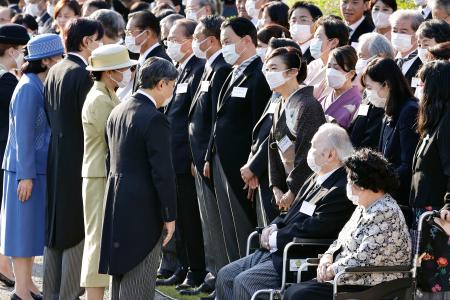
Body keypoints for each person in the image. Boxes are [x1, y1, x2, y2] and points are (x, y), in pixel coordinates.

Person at [216, 123, 356, 300]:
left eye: (313, 147)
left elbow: (316, 228)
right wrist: (271, 228)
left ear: (331, 154)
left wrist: (276, 238)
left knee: (245, 283)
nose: (309, 152)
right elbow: (291, 213)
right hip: (276, 251)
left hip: (298, 256)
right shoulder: (316, 177)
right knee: (225, 276)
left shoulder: (340, 188)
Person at [284, 148, 412, 300]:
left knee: (298, 295)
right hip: (348, 278)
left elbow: (365, 258)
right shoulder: (363, 207)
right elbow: (340, 240)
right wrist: (327, 257)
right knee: (293, 291)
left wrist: (331, 269)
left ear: (363, 183)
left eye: (350, 180)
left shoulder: (385, 211)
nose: (348, 184)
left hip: (369, 285)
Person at [99, 57, 177, 300]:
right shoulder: (154, 118)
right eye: (172, 85)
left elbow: (108, 158)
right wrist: (169, 214)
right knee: (140, 278)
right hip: (144, 206)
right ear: (162, 84)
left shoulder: (118, 110)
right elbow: (163, 173)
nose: (172, 91)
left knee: (119, 275)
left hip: (115, 198)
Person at [205, 17, 271, 287]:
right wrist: (210, 154)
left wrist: (254, 166)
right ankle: (226, 281)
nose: (225, 48)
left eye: (229, 42)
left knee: (242, 226)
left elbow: (262, 125)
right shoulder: (232, 71)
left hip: (242, 166)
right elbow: (217, 118)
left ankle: (240, 283)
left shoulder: (260, 73)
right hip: (222, 159)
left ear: (247, 40)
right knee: (226, 227)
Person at [43, 18, 103, 300]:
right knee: (76, 231)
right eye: (98, 39)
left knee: (55, 230)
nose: (100, 44)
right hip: (79, 160)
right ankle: (66, 294)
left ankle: (53, 291)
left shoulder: (55, 69)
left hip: (57, 157)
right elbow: (91, 121)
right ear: (86, 41)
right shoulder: (83, 75)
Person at [1, 33, 63, 300]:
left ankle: (27, 287)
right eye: (59, 56)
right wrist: (25, 176)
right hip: (24, 171)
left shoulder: (37, 83)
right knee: (22, 232)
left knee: (29, 232)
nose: (62, 60)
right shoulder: (28, 87)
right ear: (47, 60)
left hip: (33, 169)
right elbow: (23, 136)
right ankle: (21, 291)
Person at [81, 45, 137, 300]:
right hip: (99, 175)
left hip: (102, 173)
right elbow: (113, 138)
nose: (128, 72)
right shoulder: (99, 99)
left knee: (103, 239)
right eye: (124, 69)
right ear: (110, 72)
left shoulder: (107, 94)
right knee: (97, 241)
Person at [183, 15, 232, 297]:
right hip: (199, 157)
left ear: (211, 40)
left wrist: (207, 157)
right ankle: (213, 275)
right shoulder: (208, 68)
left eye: (198, 36)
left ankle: (220, 278)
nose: (194, 42)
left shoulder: (222, 69)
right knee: (207, 223)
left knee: (217, 223)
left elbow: (216, 119)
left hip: (211, 160)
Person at [157, 19, 207, 290]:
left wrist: (191, 156)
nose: (170, 43)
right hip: (170, 154)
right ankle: (183, 266)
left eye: (175, 39)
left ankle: (196, 270)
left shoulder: (198, 68)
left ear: (189, 40)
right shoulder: (178, 69)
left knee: (190, 217)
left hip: (184, 156)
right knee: (179, 217)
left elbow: (193, 119)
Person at [267, 46, 326, 213]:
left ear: (292, 72)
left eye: (274, 68)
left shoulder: (308, 105)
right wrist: (276, 186)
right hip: (284, 187)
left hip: (304, 189)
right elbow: (272, 146)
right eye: (267, 69)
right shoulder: (279, 103)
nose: (268, 73)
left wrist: (293, 190)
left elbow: (308, 152)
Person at [361, 58, 419, 209]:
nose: (368, 93)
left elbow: (408, 164)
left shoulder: (409, 111)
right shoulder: (388, 110)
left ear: (386, 84)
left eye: (369, 87)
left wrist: (379, 185)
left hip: (399, 198)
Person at [0, 24, 29, 288]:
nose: (23, 55)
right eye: (22, 50)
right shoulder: (8, 82)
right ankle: (3, 266)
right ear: (11, 50)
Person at [410, 61, 450, 226]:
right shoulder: (435, 118)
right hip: (423, 210)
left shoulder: (447, 121)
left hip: (438, 215)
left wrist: (449, 203)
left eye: (422, 84)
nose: (419, 88)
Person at [123, 10, 170, 96]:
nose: (127, 37)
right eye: (126, 33)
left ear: (147, 33)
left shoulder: (159, 61)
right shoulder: (144, 58)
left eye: (130, 32)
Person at [304, 16, 349, 100]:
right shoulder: (314, 64)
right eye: (314, 37)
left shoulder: (340, 71)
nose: (314, 42)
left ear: (334, 42)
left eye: (318, 37)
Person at [320, 45, 362, 128]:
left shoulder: (359, 103)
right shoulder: (323, 99)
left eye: (336, 68)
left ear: (351, 74)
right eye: (329, 67)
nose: (330, 71)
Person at [390, 9, 424, 86]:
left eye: (403, 31)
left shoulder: (423, 63)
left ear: (417, 34)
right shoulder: (388, 60)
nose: (397, 35)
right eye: (394, 31)